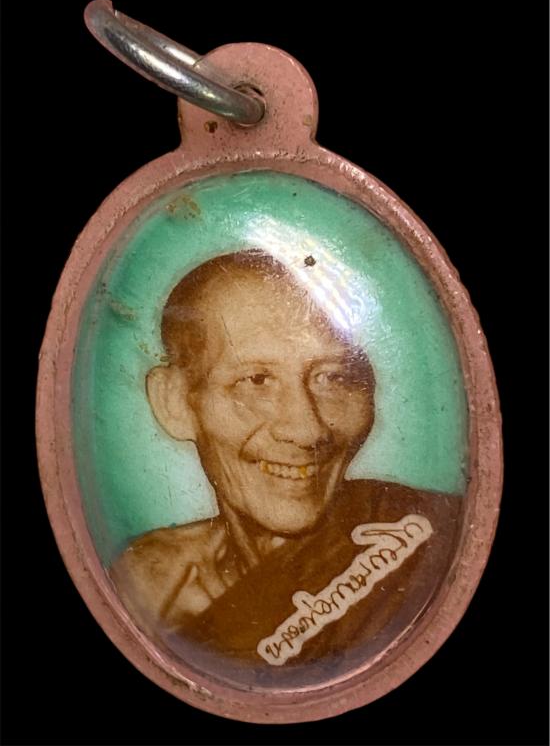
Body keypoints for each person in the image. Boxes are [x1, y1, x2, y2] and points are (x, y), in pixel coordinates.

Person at [110, 250, 461, 669]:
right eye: (256, 380)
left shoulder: (430, 537)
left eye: (332, 377)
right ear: (176, 402)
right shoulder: (153, 587)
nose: (307, 430)